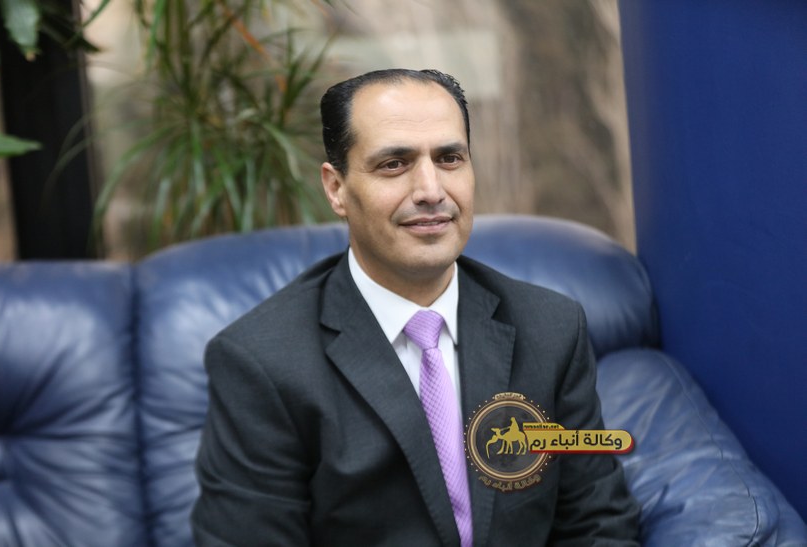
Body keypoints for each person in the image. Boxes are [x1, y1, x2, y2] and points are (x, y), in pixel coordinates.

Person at [191, 68, 640, 546]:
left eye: (449, 158)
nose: (431, 190)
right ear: (336, 188)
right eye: (394, 164)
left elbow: (598, 525)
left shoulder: (550, 328)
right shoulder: (261, 363)